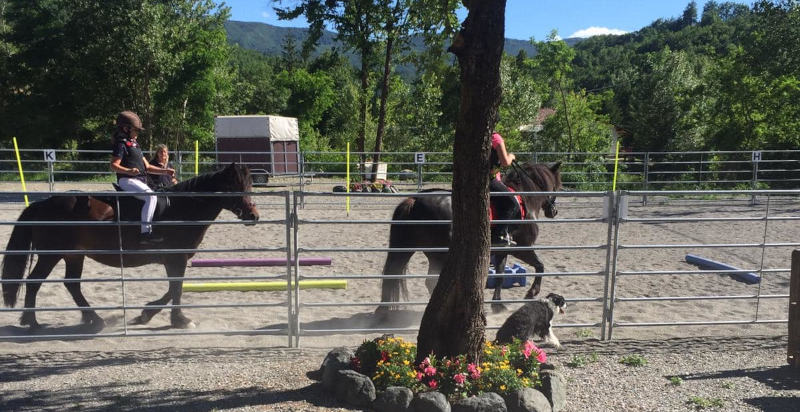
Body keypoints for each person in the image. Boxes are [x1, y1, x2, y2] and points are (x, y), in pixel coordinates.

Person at [109, 111, 175, 245]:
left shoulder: (136, 145)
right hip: (126, 180)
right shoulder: (121, 144)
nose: (137, 133)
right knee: (150, 196)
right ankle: (145, 233)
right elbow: (114, 165)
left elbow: (148, 167)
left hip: (139, 180)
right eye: (136, 130)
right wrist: (128, 171)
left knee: (156, 195)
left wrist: (165, 171)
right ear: (126, 129)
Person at [489, 131, 518, 246]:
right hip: (490, 180)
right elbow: (505, 162)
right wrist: (511, 156)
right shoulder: (495, 138)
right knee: (512, 203)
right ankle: (498, 235)